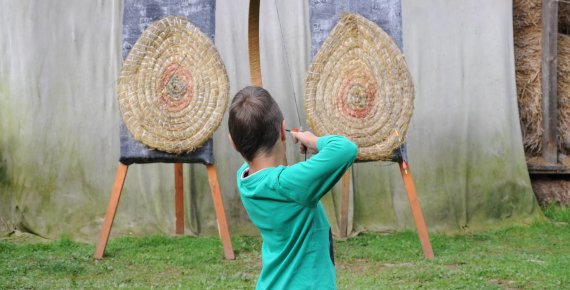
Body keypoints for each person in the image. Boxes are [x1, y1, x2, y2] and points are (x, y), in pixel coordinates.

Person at [228, 86, 357, 289]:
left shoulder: (244, 178)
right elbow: (345, 149)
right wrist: (314, 141)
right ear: (282, 130)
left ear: (233, 143)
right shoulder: (288, 184)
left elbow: (263, 166)